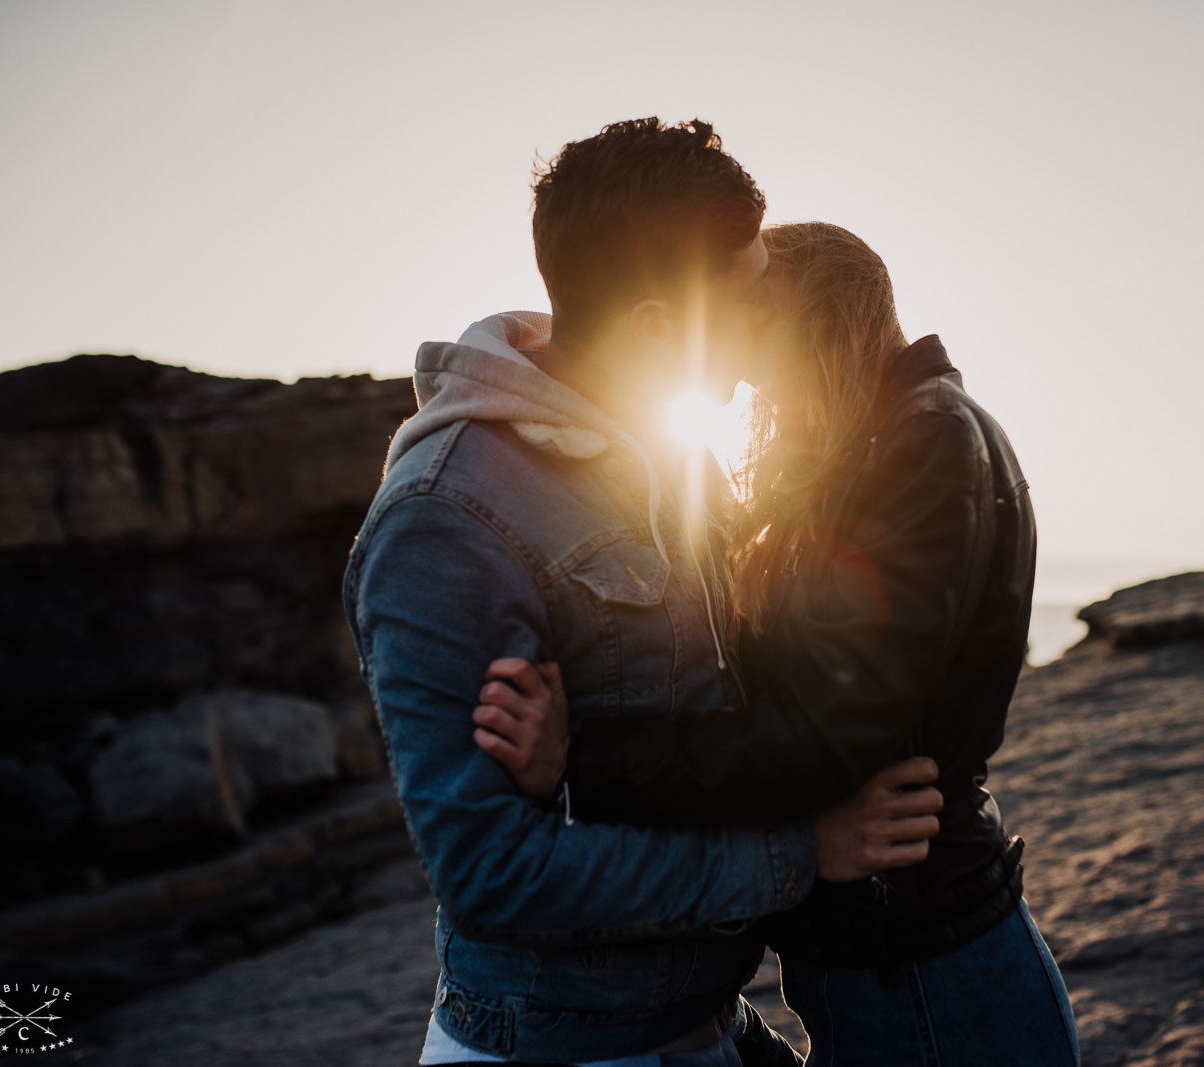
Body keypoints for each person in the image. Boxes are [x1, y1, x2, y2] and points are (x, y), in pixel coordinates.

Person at [344, 120, 945, 1067]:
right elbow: (492, 874)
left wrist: (583, 759)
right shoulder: (445, 520)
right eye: (750, 301)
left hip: (706, 1027)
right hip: (564, 1047)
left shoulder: (675, 451)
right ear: (660, 328)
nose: (765, 335)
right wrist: (801, 852)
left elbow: (720, 700)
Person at [473, 223, 1081, 1065]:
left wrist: (588, 759)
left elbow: (829, 729)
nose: (737, 382)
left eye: (749, 334)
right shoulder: (886, 439)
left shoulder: (924, 442)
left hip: (924, 966)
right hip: (887, 954)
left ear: (819, 322)